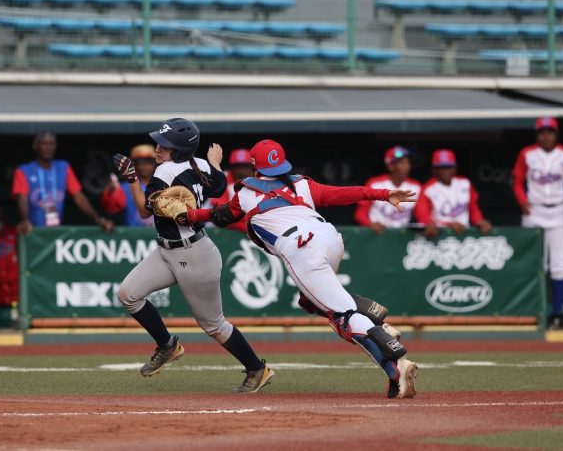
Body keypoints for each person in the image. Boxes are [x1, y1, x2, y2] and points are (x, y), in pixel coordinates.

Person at [179, 139, 419, 399]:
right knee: (311, 301)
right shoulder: (302, 184)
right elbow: (342, 194)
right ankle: (373, 319)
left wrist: (189, 216)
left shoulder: (246, 193)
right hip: (330, 239)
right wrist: (382, 194)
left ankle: (395, 365)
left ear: (253, 166)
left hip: (301, 249)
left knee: (343, 317)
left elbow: (219, 216)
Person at [112, 118, 274, 393]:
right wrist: (214, 163)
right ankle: (167, 346)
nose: (157, 148)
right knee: (128, 294)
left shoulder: (164, 173)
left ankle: (257, 369)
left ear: (179, 149)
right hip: (168, 250)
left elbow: (142, 211)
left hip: (194, 255)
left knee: (214, 326)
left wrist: (132, 180)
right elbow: (220, 186)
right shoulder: (198, 165)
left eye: (165, 144)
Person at [512, 117, 563, 329]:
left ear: (556, 133)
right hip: (534, 210)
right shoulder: (527, 153)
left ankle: (557, 314)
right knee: (535, 264)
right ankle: (536, 311)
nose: (546, 136)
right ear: (537, 134)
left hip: (559, 210)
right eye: (542, 132)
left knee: (560, 265)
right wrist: (522, 202)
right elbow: (516, 181)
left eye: (549, 132)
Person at [11, 131, 113, 235]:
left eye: (51, 144)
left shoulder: (63, 167)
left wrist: (98, 219)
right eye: (44, 144)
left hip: (56, 231)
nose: (48, 148)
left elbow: (79, 198)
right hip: (34, 232)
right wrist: (25, 220)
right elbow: (22, 198)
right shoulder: (24, 170)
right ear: (36, 146)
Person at [415, 149, 492, 238]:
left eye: (449, 167)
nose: (445, 171)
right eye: (441, 168)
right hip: (440, 236)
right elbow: (422, 214)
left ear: (455, 169)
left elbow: (473, 209)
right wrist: (447, 224)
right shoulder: (428, 189)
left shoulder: (465, 183)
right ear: (434, 170)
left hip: (464, 234)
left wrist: (479, 220)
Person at [354, 146, 421, 233]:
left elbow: (420, 212)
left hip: (402, 236)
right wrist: (370, 224)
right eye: (401, 163)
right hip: (378, 234)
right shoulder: (374, 184)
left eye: (408, 163)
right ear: (390, 166)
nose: (407, 166)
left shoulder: (416, 186)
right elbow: (359, 214)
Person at [100, 144, 156, 227]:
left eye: (149, 162)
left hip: (159, 234)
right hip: (132, 235)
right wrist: (110, 191)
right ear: (134, 164)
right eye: (141, 162)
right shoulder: (124, 187)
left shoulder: (162, 184)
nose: (145, 166)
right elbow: (111, 210)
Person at [209, 149, 254, 233]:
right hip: (214, 227)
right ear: (232, 168)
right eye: (238, 167)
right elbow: (221, 215)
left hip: (242, 227)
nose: (242, 171)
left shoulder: (260, 181)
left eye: (245, 166)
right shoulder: (222, 179)